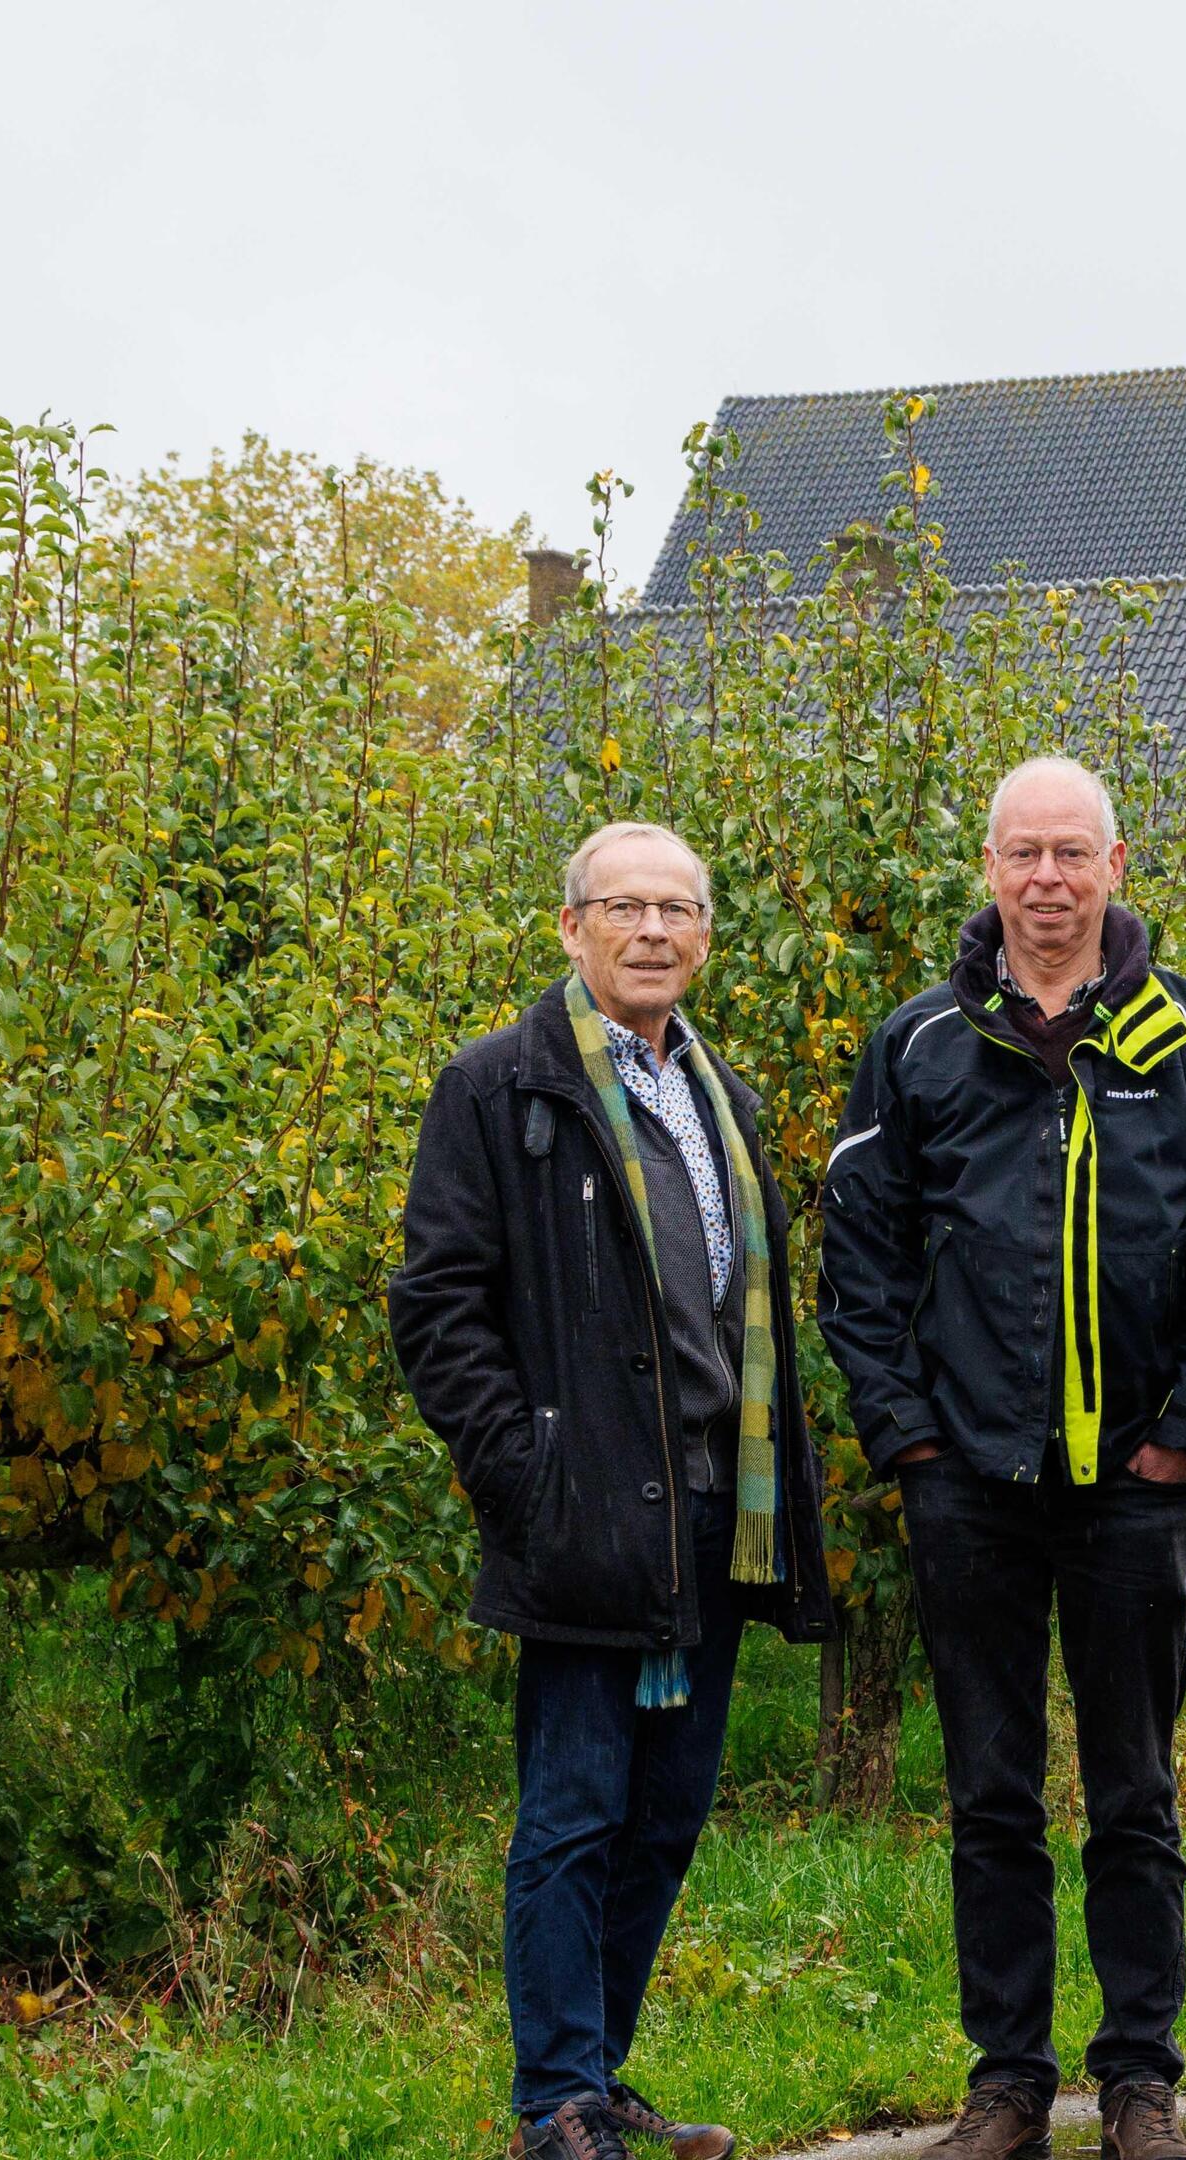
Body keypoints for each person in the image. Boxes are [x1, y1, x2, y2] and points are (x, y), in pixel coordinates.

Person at [818, 757, 1186, 2160]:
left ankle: (1141, 2082)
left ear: (1116, 867)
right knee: (990, 1798)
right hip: (970, 1492)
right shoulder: (919, 1046)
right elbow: (860, 1260)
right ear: (991, 868)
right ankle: (1007, 2083)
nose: (1047, 879)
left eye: (1072, 852)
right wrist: (904, 1434)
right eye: (1023, 853)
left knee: (1136, 1797)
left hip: (1134, 1494)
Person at [392, 820, 833, 2160]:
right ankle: (554, 2102)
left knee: (663, 1816)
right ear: (570, 926)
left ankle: (601, 2073)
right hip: (583, 1513)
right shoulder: (500, 1090)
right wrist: (521, 1474)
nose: (654, 932)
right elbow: (436, 1305)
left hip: (713, 1512)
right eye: (625, 907)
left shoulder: (722, 1096)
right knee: (573, 1813)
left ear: (705, 934)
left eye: (679, 910)